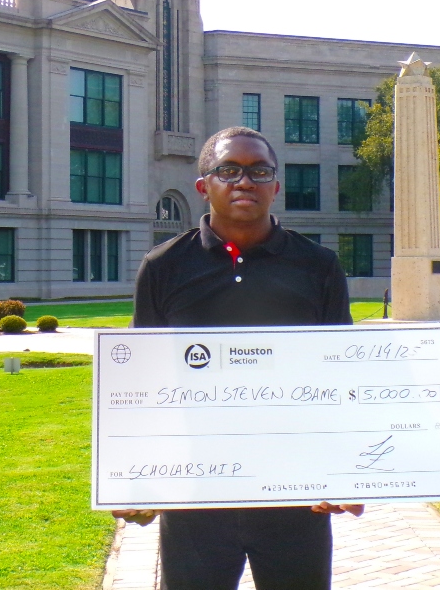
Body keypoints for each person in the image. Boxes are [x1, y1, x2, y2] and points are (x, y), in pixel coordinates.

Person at [114, 126, 363, 590]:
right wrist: (136, 480)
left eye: (258, 171)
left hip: (295, 493)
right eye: (228, 170)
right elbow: (140, 385)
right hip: (196, 495)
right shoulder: (163, 266)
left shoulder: (318, 266)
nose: (244, 182)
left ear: (276, 186)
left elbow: (340, 376)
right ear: (203, 186)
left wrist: (348, 472)